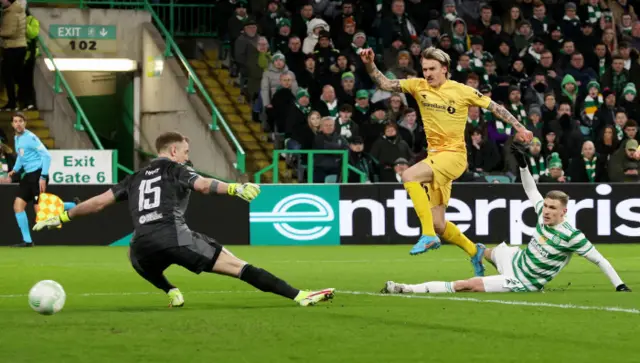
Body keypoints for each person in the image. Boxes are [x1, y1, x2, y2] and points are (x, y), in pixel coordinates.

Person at [33, 131, 335, 307]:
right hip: (174, 236)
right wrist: (233, 187)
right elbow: (203, 185)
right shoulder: (174, 169)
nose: (187, 157)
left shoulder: (135, 177)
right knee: (237, 265)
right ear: (173, 150)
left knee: (136, 255)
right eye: (186, 152)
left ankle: (170, 291)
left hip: (141, 245)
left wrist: (62, 215)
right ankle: (299, 295)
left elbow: (98, 203)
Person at [360, 46, 533, 276]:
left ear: (444, 69)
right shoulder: (417, 85)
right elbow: (384, 84)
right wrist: (369, 64)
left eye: (432, 69)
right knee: (440, 224)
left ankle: (427, 234)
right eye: (424, 69)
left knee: (408, 175)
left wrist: (520, 127)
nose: (428, 73)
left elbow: (494, 107)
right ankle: (475, 252)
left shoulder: (462, 91)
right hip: (435, 158)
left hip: (454, 156)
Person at [381, 141, 631, 295]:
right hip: (516, 258)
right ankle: (478, 257)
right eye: (546, 206)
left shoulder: (571, 236)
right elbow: (531, 190)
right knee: (482, 252)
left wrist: (619, 285)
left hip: (522, 280)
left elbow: (600, 260)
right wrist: (523, 166)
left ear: (563, 212)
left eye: (552, 208)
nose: (546, 211)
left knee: (467, 285)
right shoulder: (541, 212)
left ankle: (407, 289)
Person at [1, 113, 76, 247]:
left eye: (20, 121)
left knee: (40, 211)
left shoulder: (31, 138)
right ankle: (27, 241)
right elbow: (21, 155)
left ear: (25, 123)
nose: (18, 124)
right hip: (28, 176)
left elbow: (47, 156)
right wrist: (15, 169)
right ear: (12, 124)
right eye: (15, 121)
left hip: (37, 175)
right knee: (18, 206)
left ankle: (71, 206)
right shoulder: (17, 138)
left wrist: (43, 177)